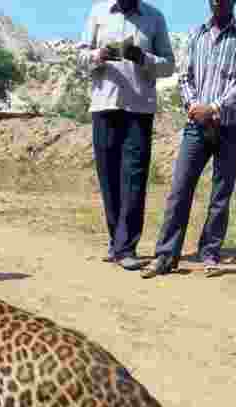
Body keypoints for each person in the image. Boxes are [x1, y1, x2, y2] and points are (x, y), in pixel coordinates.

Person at [141, 0, 236, 279]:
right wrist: (195, 107)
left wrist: (215, 107)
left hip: (228, 126)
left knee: (220, 194)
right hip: (195, 125)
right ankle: (166, 255)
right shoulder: (196, 34)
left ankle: (210, 254)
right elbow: (185, 76)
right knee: (180, 188)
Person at [77, 0, 175, 271]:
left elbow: (168, 65)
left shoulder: (154, 17)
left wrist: (142, 57)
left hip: (139, 109)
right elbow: (80, 57)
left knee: (134, 178)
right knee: (108, 177)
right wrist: (100, 55)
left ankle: (126, 247)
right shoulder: (98, 12)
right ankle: (116, 241)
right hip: (104, 105)